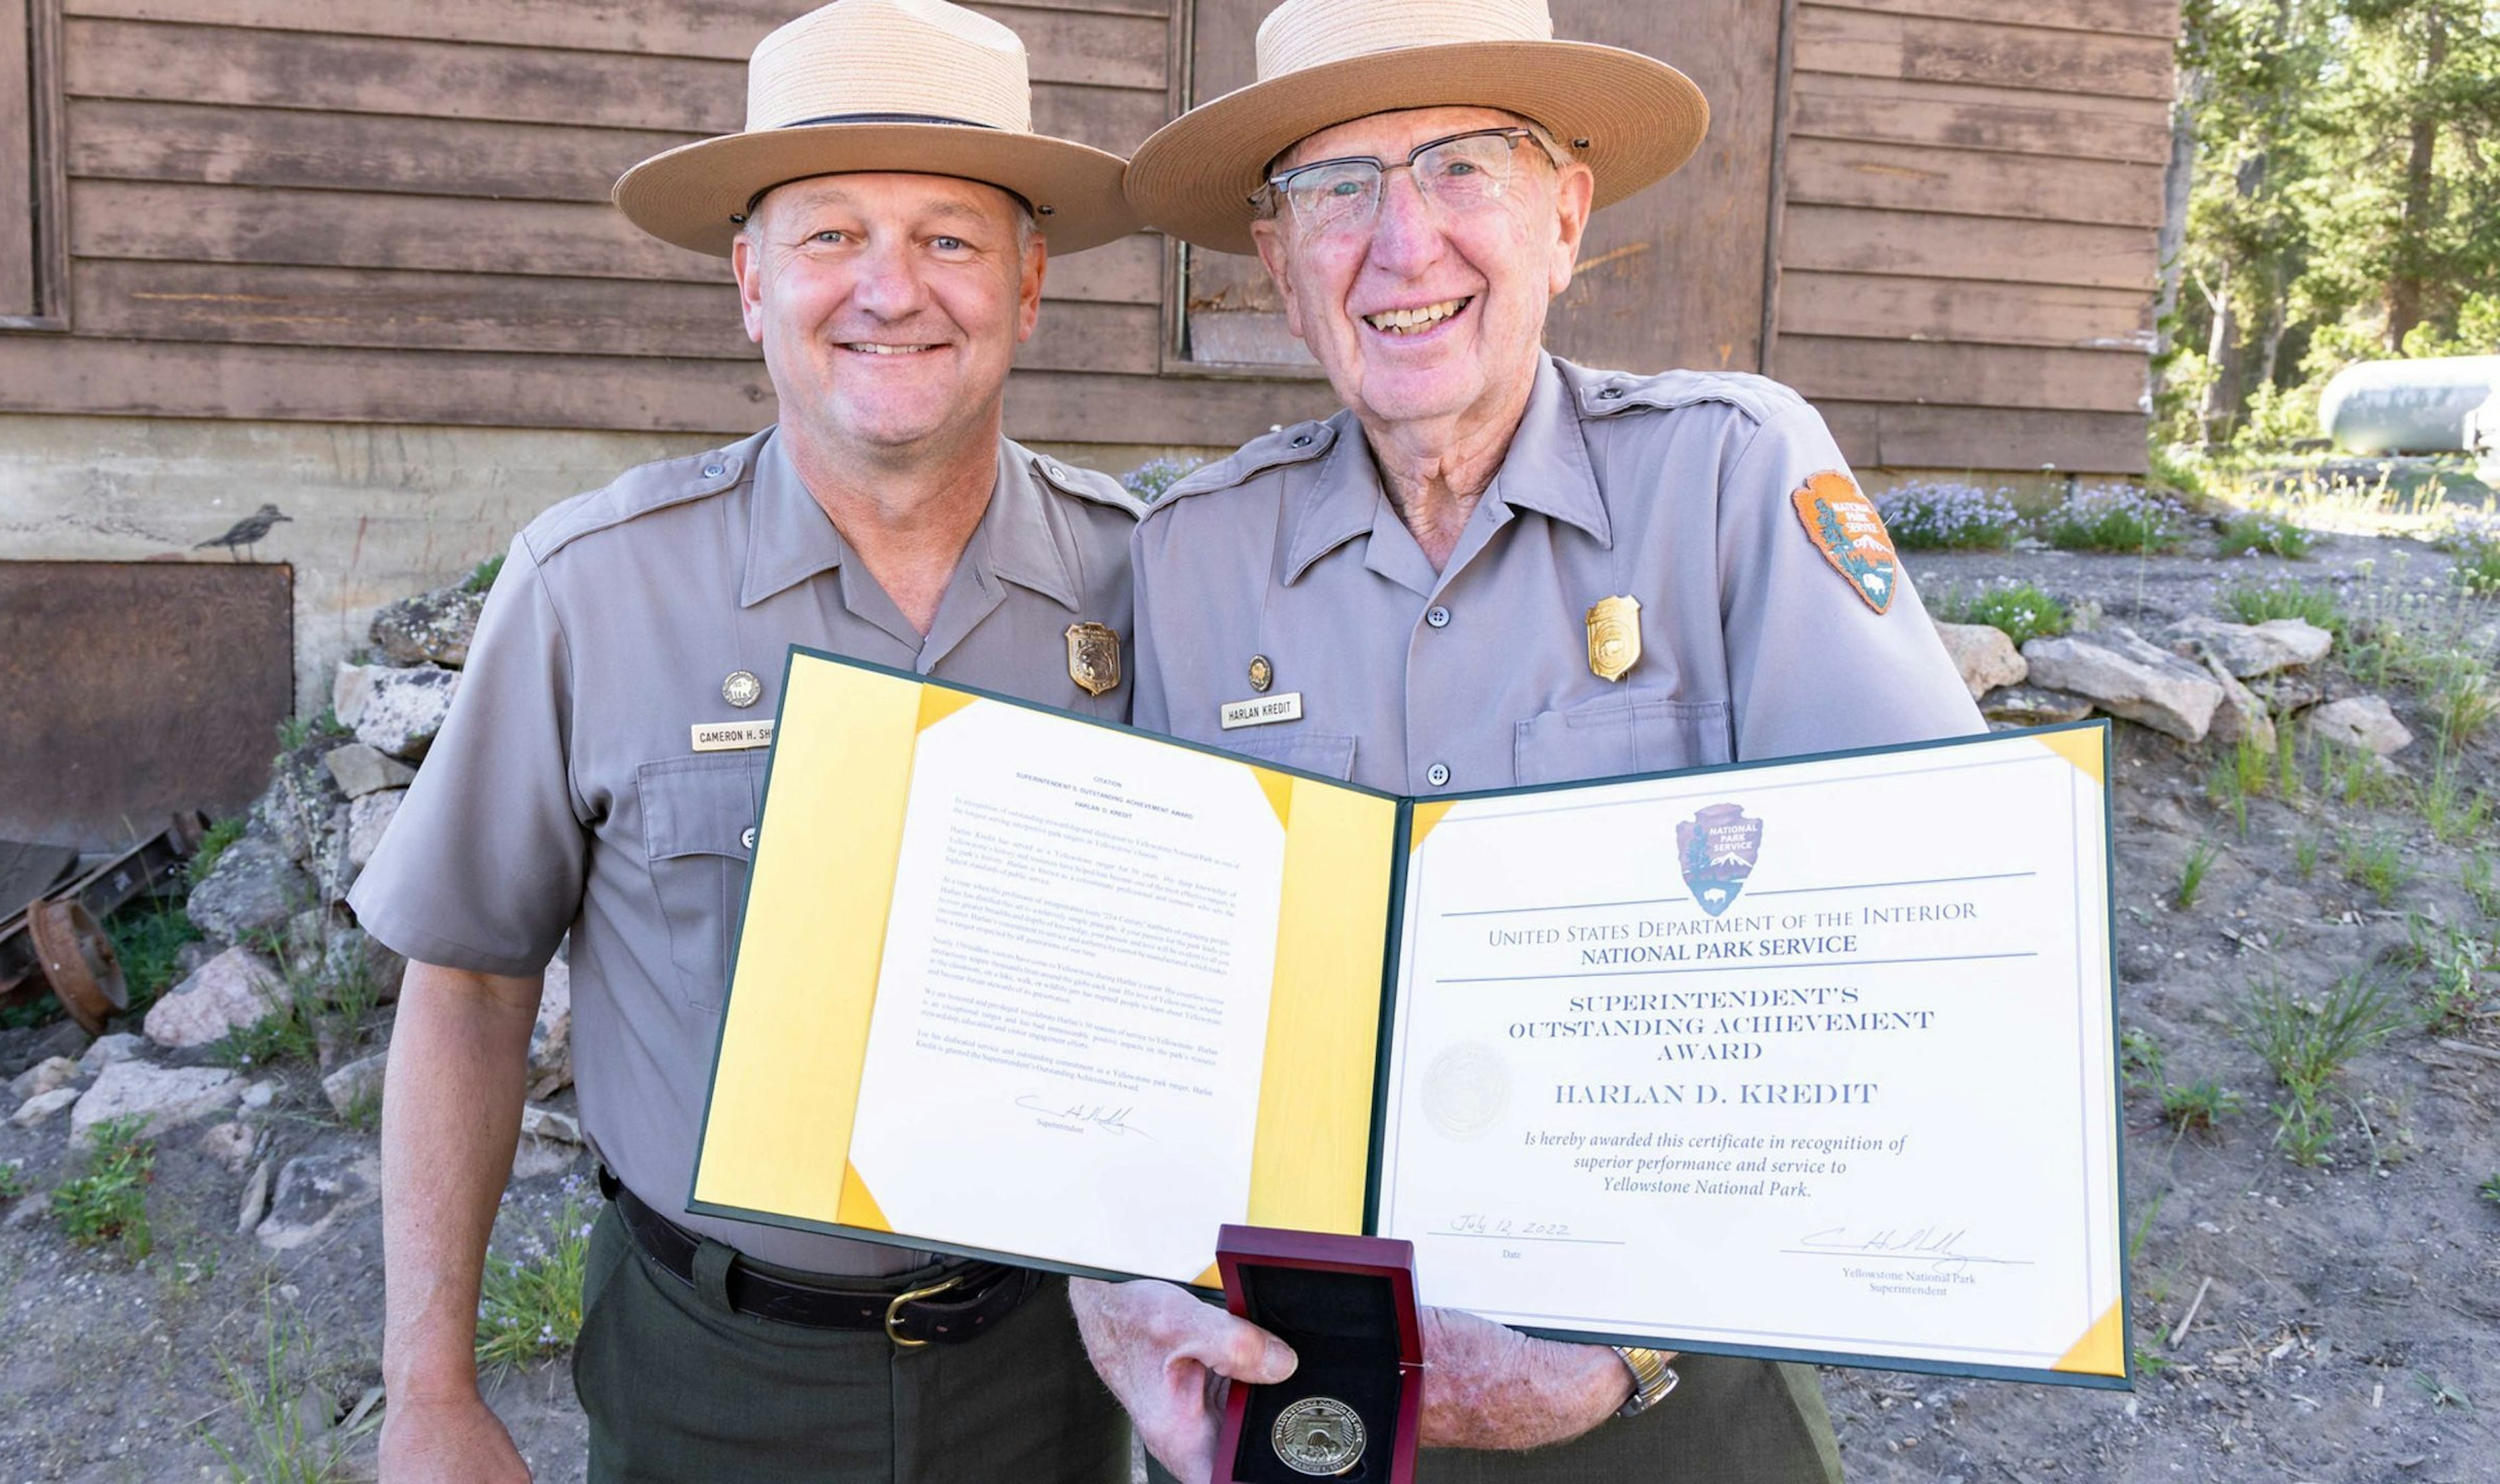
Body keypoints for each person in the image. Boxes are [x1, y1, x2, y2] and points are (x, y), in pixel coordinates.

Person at [1081, 0, 1983, 1479]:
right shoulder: (1193, 556)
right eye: (1337, 191)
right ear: (1278, 264)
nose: (1402, 243)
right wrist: (1100, 1264)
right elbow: (1148, 992)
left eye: (1460, 169)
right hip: (1311, 1385)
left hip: (1673, 1391)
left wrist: (1625, 1348)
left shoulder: (1729, 483)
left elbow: (1926, 955)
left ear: (1565, 215)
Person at [348, 2, 1146, 1479]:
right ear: (749, 281)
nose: (891, 290)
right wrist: (429, 1393)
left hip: (1062, 1370)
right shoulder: (596, 587)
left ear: (1031, 285)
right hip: (714, 1374)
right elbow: (465, 983)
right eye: (831, 235)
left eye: (952, 239)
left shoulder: (1143, 579)